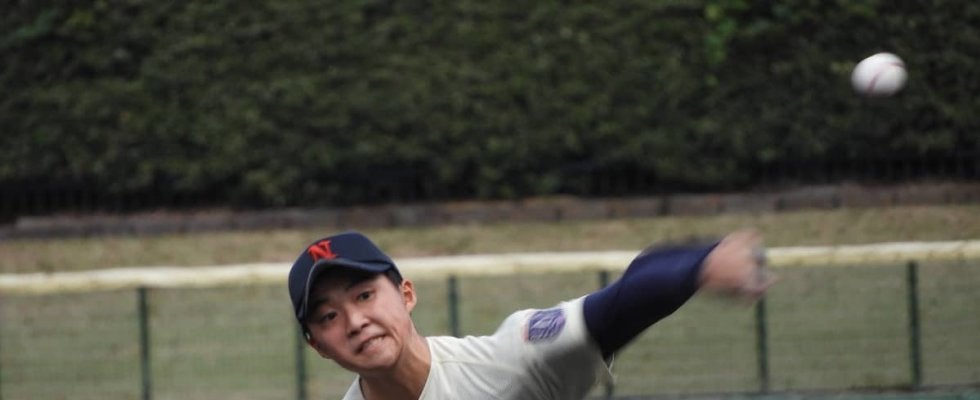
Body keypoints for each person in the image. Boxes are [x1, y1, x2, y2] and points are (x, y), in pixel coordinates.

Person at [287, 229, 774, 400]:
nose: (355, 322)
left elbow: (617, 305)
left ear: (407, 294)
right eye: (328, 317)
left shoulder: (507, 363)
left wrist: (700, 265)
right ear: (315, 345)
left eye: (364, 295)